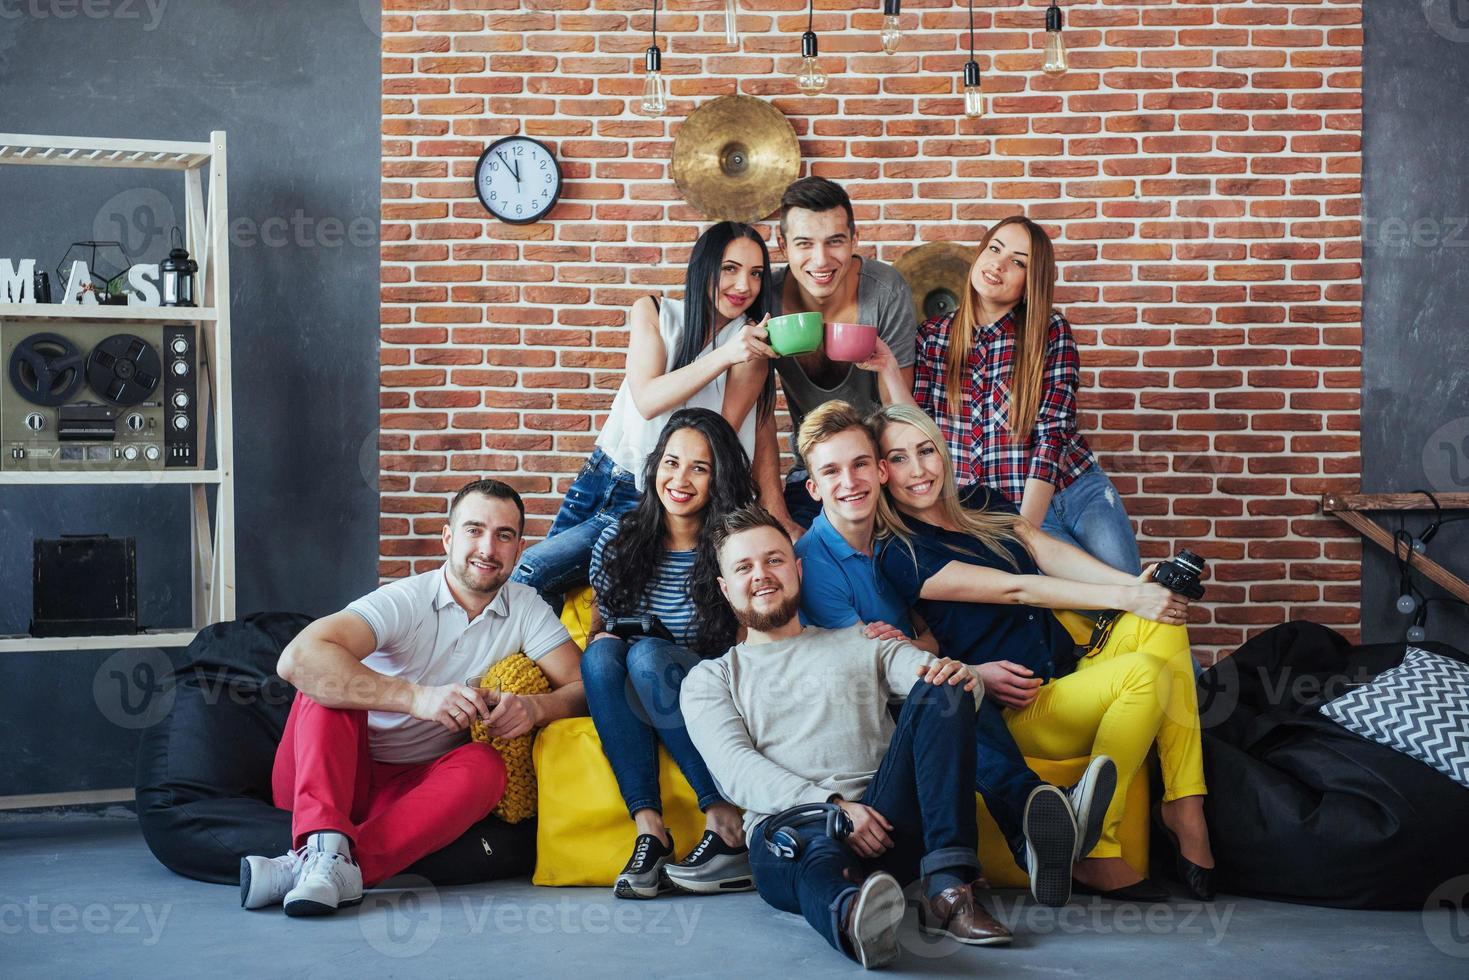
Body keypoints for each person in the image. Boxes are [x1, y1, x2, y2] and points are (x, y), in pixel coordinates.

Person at [871, 404, 1215, 902]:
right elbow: (1017, 589)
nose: (918, 469)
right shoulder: (900, 551)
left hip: (1072, 667)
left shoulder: (980, 499)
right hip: (1025, 705)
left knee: (1161, 619)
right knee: (1144, 671)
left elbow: (1043, 549)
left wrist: (1135, 585)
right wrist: (1124, 598)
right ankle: (1098, 848)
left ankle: (1185, 804)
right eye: (899, 458)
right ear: (883, 471)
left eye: (925, 450)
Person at [790, 399, 1115, 908]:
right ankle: (1036, 811)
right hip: (873, 709)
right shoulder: (816, 564)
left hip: (918, 682)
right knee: (949, 689)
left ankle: (1033, 844)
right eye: (831, 471)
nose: (849, 481)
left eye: (859, 465)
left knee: (948, 683)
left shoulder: (894, 537)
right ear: (814, 488)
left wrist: (943, 655)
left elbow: (925, 636)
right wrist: (970, 671)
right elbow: (870, 667)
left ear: (878, 471)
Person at [682, 506, 1012, 969]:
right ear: (724, 587)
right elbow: (736, 770)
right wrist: (832, 808)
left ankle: (949, 890)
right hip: (794, 831)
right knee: (813, 851)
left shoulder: (860, 640)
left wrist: (963, 676)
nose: (762, 575)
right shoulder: (711, 678)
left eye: (774, 560)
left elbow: (957, 693)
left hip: (889, 821)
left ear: (797, 569)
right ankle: (857, 917)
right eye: (744, 567)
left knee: (943, 686)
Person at [239, 479, 587, 917]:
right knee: (329, 689)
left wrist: (537, 708)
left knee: (485, 766)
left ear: (520, 549)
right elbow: (297, 660)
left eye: (504, 535)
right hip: (326, 779)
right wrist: (415, 699)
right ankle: (324, 845)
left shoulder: (526, 607)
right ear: (448, 538)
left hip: (409, 796)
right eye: (474, 530)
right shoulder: (406, 600)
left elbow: (583, 688)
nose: (487, 547)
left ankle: (319, 866)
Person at [512, 221, 778, 607]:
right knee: (536, 595)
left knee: (534, 571)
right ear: (704, 267)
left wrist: (736, 351)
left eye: (755, 274)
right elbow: (648, 397)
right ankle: (529, 667)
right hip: (601, 474)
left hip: (653, 496)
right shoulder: (653, 311)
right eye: (730, 269)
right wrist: (726, 354)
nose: (744, 286)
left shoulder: (750, 348)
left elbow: (717, 438)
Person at [902, 215, 1142, 575]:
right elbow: (917, 429)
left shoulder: (1050, 331)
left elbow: (1053, 433)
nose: (998, 264)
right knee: (1097, 601)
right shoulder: (932, 337)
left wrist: (1025, 533)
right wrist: (889, 368)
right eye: (994, 249)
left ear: (1031, 282)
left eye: (1017, 262)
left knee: (1128, 590)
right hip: (1003, 511)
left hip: (1074, 491)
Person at [581, 408, 756, 899]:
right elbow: (597, 629)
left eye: (699, 468)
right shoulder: (618, 539)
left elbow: (749, 648)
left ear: (719, 478)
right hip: (641, 688)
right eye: (671, 463)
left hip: (713, 686)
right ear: (655, 465)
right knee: (602, 657)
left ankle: (722, 817)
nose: (680, 479)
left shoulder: (734, 545)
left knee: (647, 658)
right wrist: (606, 639)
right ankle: (650, 830)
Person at [752, 176, 918, 540]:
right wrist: (777, 514)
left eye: (835, 241)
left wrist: (897, 501)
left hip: (879, 471)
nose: (821, 259)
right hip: (813, 474)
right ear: (782, 245)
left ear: (854, 239)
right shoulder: (766, 300)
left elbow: (899, 417)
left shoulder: (886, 292)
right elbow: (760, 414)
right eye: (804, 244)